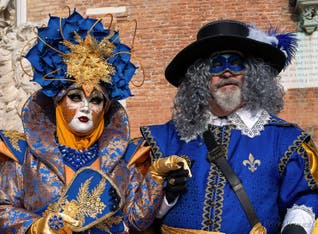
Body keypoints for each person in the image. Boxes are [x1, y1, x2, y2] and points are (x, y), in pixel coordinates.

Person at [132, 20, 318, 233]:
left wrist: (296, 226)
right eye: (216, 64)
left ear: (253, 74)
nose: (227, 72)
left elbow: (308, 193)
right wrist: (166, 197)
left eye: (236, 63)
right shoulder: (166, 138)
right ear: (200, 78)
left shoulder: (284, 139)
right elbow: (138, 217)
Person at [0, 9, 187, 233]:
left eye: (96, 99)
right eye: (76, 97)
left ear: (105, 108)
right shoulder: (24, 156)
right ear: (58, 103)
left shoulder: (126, 159)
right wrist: (36, 227)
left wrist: (156, 178)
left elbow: (135, 221)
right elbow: (3, 208)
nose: (86, 107)